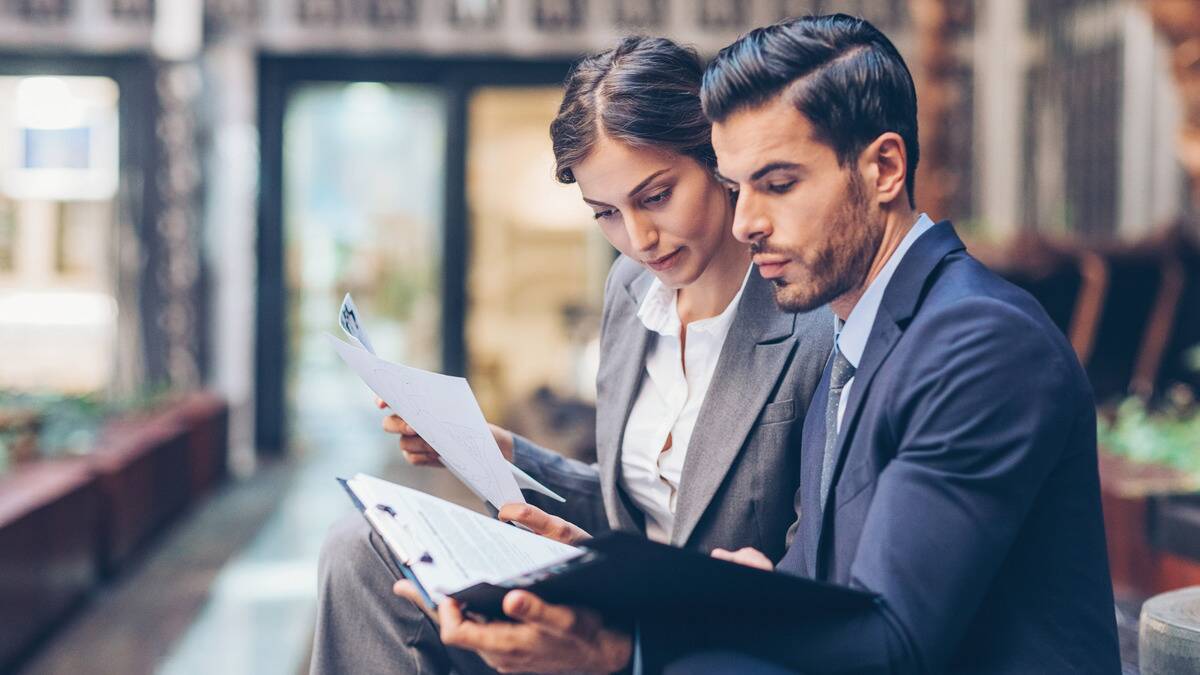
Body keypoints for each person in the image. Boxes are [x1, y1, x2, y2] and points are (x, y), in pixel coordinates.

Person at [416, 14, 1122, 674]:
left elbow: (896, 641)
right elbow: (831, 585)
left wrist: (624, 646)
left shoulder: (979, 343)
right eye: (735, 186)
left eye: (777, 185)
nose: (746, 222)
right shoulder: (861, 333)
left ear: (883, 169)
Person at [308, 35, 833, 675]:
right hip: (609, 589)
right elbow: (631, 505)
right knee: (361, 545)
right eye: (606, 213)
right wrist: (501, 453)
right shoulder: (631, 291)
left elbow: (807, 568)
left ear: (717, 160)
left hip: (691, 636)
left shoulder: (810, 317)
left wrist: (621, 588)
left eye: (656, 196)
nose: (638, 239)